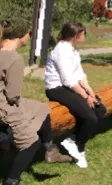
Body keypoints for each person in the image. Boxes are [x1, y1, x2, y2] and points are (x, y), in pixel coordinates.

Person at [0, 21, 73, 185]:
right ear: (21, 36)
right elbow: (13, 96)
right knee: (31, 142)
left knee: (41, 108)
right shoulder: (14, 58)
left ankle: (51, 151)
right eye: (29, 33)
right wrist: (19, 112)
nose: (29, 37)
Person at [44, 21, 106, 169]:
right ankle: (79, 147)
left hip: (69, 86)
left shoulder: (73, 50)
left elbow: (78, 74)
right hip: (57, 89)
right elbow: (68, 80)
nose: (85, 35)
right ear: (75, 36)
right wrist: (85, 97)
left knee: (100, 109)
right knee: (90, 118)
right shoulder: (61, 51)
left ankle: (73, 139)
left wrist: (90, 92)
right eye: (83, 33)